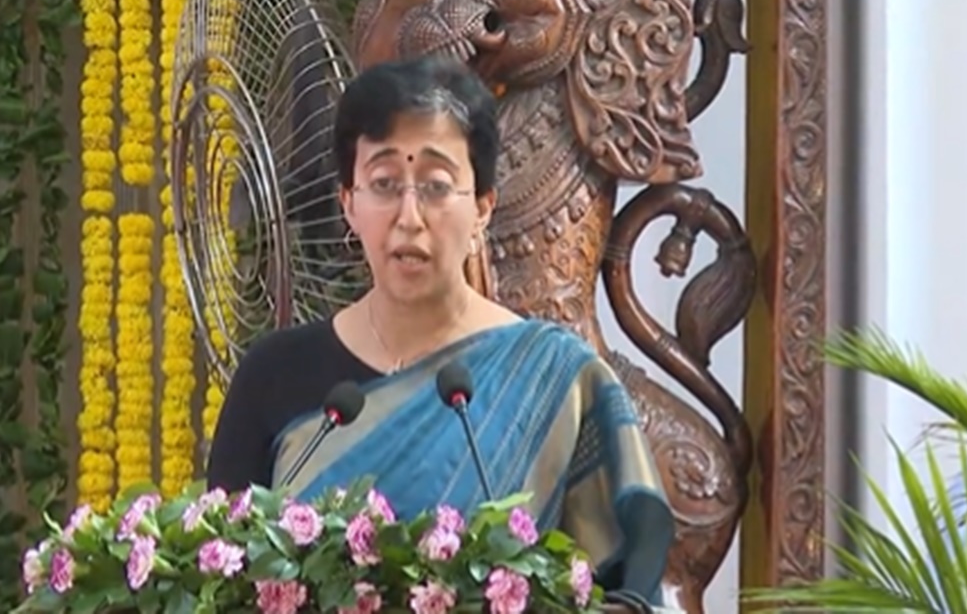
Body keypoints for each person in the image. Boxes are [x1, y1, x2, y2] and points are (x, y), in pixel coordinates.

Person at [205, 56, 675, 606]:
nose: (409, 215)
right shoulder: (274, 375)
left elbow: (628, 584)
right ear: (348, 205)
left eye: (435, 185)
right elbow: (219, 575)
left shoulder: (558, 383)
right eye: (383, 183)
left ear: (482, 207)